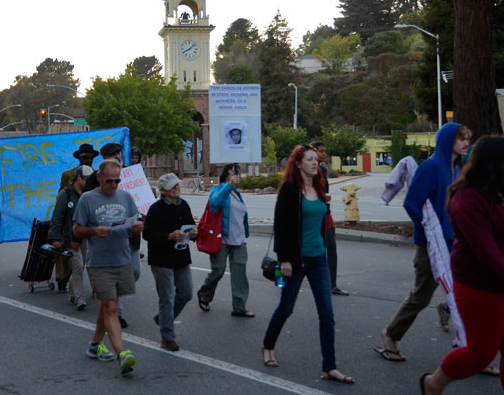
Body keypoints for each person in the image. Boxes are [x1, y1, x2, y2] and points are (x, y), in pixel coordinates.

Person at [421, 136, 504, 395]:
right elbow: (484, 248)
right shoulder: (467, 198)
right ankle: (433, 384)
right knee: (481, 353)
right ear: (494, 162)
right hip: (481, 286)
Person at [378, 123, 471, 362]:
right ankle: (391, 334)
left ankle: (475, 351)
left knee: (468, 292)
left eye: (468, 138)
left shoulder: (457, 168)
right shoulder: (431, 167)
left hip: (454, 242)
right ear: (448, 140)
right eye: (461, 138)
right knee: (422, 295)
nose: (466, 142)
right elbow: (412, 203)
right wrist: (428, 232)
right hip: (430, 246)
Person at [263, 145, 354, 384]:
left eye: (317, 159)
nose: (316, 162)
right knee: (286, 308)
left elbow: (323, 217)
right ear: (299, 163)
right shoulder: (290, 190)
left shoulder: (319, 187)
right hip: (295, 260)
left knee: (327, 314)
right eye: (310, 159)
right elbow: (281, 225)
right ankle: (268, 346)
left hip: (318, 259)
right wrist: (284, 259)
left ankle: (329, 367)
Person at [73, 159, 143, 374]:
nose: (113, 185)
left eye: (117, 180)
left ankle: (94, 346)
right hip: (99, 263)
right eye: (109, 181)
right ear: (100, 177)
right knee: (111, 306)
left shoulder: (126, 196)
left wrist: (137, 227)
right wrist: (94, 231)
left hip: (122, 260)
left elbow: (135, 221)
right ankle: (122, 353)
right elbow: (76, 229)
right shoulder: (87, 199)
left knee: (107, 305)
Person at [143, 172, 197, 352]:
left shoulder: (184, 205)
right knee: (167, 298)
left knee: (187, 293)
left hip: (181, 256)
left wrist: (194, 234)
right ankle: (167, 337)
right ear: (163, 191)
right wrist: (168, 236)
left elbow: (190, 225)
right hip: (161, 258)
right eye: (172, 186)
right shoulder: (156, 209)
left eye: (177, 185)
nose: (176, 188)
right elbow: (147, 234)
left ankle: (164, 318)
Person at [197, 163, 253, 317]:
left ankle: (239, 307)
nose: (238, 174)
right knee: (218, 271)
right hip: (221, 239)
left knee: (239, 274)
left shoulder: (236, 193)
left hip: (239, 240)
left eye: (239, 171)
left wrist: (245, 233)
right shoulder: (219, 189)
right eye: (236, 171)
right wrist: (228, 185)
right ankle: (204, 294)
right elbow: (215, 203)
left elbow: (241, 215)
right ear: (228, 172)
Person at [49, 164, 94, 310]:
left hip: (85, 236)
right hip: (70, 238)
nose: (88, 182)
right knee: (78, 265)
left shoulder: (88, 195)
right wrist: (55, 238)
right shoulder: (66, 194)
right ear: (79, 177)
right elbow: (57, 216)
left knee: (81, 266)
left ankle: (72, 293)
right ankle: (80, 298)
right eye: (86, 179)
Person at [310, 141, 347, 295]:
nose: (324, 154)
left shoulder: (323, 169)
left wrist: (323, 197)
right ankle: (289, 276)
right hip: (312, 215)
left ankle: (332, 284)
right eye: (321, 151)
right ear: (313, 152)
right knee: (307, 248)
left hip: (325, 212)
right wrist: (322, 196)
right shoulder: (308, 170)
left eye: (325, 151)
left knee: (330, 246)